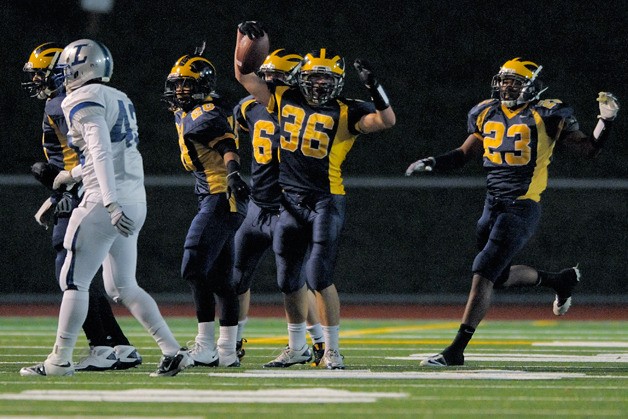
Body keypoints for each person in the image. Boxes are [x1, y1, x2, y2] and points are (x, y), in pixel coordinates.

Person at [405, 57, 620, 367]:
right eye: (505, 80)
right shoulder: (486, 112)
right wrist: (432, 162)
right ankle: (558, 281)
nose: (508, 86)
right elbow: (465, 153)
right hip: (491, 204)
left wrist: (606, 121)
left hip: (522, 204)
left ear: (531, 88)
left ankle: (455, 351)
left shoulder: (547, 113)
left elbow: (588, 150)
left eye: (516, 82)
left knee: (483, 272)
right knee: (499, 276)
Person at [20, 39, 191, 377]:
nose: (63, 74)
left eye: (67, 67)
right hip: (134, 198)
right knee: (122, 286)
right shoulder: (120, 98)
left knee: (74, 281)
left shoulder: (79, 98)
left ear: (81, 68)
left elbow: (98, 152)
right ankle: (173, 350)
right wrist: (64, 179)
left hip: (105, 200)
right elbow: (113, 154)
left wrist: (109, 202)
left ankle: (60, 360)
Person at [235, 21, 396, 369]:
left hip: (326, 200)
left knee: (319, 276)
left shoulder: (347, 110)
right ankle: (296, 347)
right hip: (289, 203)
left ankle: (333, 350)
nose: (320, 83)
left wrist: (375, 86)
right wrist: (248, 40)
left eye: (327, 78)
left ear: (336, 82)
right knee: (287, 280)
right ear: (302, 77)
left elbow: (386, 121)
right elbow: (245, 77)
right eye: (315, 77)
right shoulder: (283, 96)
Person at [22, 42, 141, 372]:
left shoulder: (63, 104)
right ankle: (117, 345)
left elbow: (85, 157)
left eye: (41, 75)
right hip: (81, 191)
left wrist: (61, 184)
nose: (36, 81)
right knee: (84, 275)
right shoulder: (64, 102)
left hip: (81, 194)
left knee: (73, 273)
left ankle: (95, 348)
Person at [232, 49, 327, 366]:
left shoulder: (305, 113)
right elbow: (232, 131)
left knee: (292, 281)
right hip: (257, 206)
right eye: (267, 76)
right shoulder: (249, 108)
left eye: (277, 78)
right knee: (237, 274)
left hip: (290, 207)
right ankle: (232, 342)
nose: (269, 83)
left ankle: (312, 343)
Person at [162, 47, 250, 368]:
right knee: (221, 278)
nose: (179, 91)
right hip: (217, 198)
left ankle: (205, 346)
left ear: (203, 85)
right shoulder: (186, 113)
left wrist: (234, 175)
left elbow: (227, 146)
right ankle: (226, 352)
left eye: (186, 84)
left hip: (221, 196)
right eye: (177, 84)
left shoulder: (205, 113)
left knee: (193, 266)